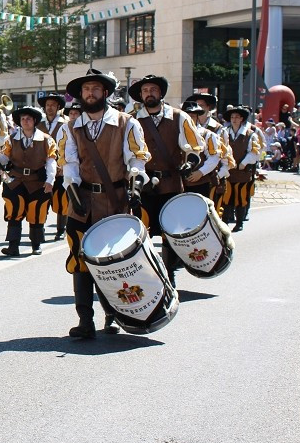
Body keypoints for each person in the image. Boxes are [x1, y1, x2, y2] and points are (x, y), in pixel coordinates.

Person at [60, 69, 150, 339]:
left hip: (114, 201)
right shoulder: (70, 127)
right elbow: (70, 162)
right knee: (80, 260)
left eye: (95, 89)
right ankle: (85, 319)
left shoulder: (127, 123)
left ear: (106, 93)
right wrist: (72, 186)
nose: (90, 93)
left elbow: (137, 158)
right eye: (86, 89)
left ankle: (114, 313)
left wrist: (136, 179)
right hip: (82, 202)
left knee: (114, 262)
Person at [129, 75, 204, 285]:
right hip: (142, 185)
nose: (149, 93)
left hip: (171, 184)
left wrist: (189, 162)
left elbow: (194, 145)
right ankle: (147, 276)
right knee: (142, 231)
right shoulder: (131, 119)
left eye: (153, 89)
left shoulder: (179, 117)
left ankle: (169, 276)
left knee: (170, 233)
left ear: (161, 93)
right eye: (145, 90)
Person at [0, 105, 57, 257]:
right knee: (13, 210)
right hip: (16, 180)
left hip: (37, 181)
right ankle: (13, 246)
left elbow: (51, 161)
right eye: (23, 119)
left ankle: (36, 245)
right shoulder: (11, 139)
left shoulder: (46, 140)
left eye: (28, 119)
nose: (25, 121)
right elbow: (5, 157)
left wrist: (50, 180)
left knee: (37, 211)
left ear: (35, 121)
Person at [221, 105, 261, 232]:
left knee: (241, 197)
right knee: (226, 197)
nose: (234, 119)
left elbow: (255, 152)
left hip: (242, 172)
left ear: (242, 119)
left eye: (237, 117)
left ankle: (239, 222)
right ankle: (225, 221)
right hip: (228, 171)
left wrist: (244, 163)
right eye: (232, 117)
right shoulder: (224, 132)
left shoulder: (250, 134)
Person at [38, 93, 69, 240]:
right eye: (47, 105)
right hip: (41, 167)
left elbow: (70, 147)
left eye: (53, 105)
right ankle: (40, 227)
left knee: (61, 199)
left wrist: (63, 165)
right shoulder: (38, 124)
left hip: (61, 168)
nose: (50, 107)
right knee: (42, 199)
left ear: (58, 107)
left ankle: (60, 229)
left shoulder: (66, 124)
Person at [181, 100, 222, 202]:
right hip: (179, 183)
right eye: (187, 116)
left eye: (193, 116)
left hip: (200, 182)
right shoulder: (176, 134)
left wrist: (200, 172)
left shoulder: (207, 135)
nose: (190, 119)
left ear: (197, 117)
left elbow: (214, 157)